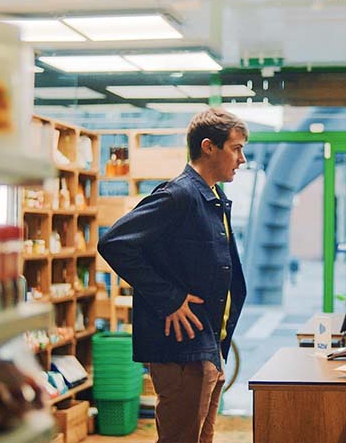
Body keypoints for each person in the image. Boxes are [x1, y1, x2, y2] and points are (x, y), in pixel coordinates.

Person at [98, 108, 248, 443]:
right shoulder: (179, 194)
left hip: (208, 343)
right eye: (236, 148)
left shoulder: (213, 195)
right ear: (209, 146)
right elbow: (114, 243)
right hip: (183, 350)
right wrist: (169, 298)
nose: (242, 159)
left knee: (200, 437)